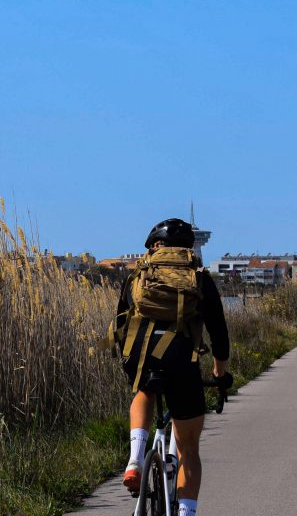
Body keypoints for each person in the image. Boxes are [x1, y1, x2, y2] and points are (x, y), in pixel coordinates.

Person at [112, 218, 231, 516]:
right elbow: (219, 332)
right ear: (189, 248)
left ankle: (135, 460)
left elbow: (120, 323)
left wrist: (128, 360)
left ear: (155, 245)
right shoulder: (199, 278)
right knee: (189, 449)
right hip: (181, 360)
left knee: (143, 389)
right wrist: (220, 374)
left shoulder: (139, 275)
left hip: (141, 354)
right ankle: (186, 513)